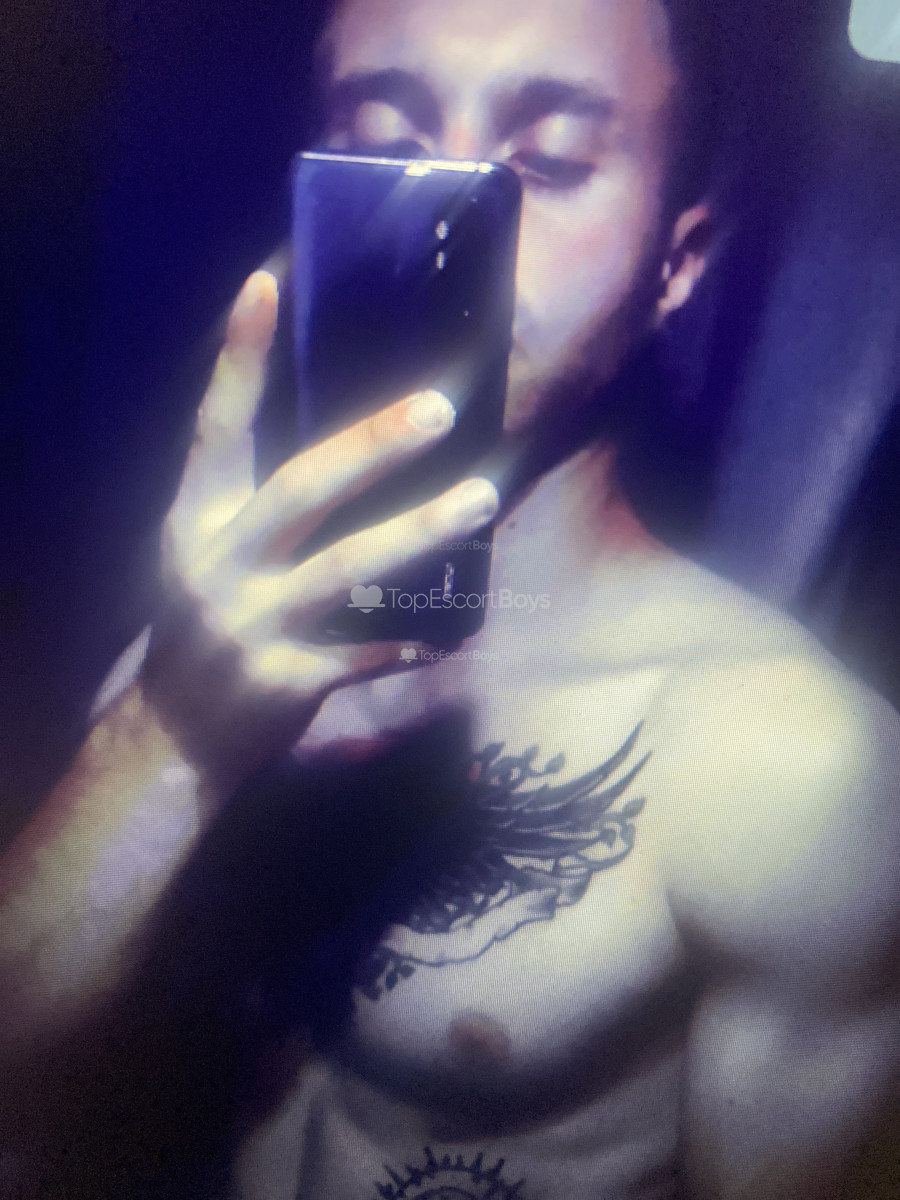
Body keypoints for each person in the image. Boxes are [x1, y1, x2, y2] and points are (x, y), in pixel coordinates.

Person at [2, 0, 900, 1196]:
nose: (449, 220)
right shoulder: (212, 634)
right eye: (383, 144)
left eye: (551, 160)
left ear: (675, 265)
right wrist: (166, 733)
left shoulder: (788, 761)